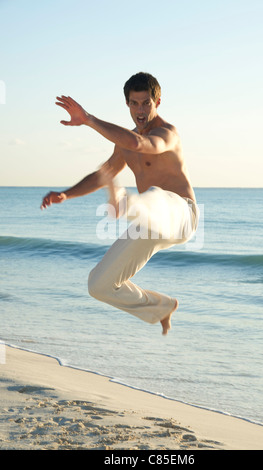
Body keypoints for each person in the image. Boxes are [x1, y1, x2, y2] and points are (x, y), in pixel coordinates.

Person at [41, 72, 199, 335]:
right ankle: (160, 307)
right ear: (127, 104)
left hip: (180, 213)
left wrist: (89, 120)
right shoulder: (123, 143)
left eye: (146, 103)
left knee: (157, 196)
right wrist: (66, 194)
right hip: (148, 220)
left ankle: (125, 204)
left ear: (157, 101)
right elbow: (103, 174)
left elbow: (140, 143)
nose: (140, 110)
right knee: (99, 284)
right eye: (134, 103)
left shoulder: (167, 133)